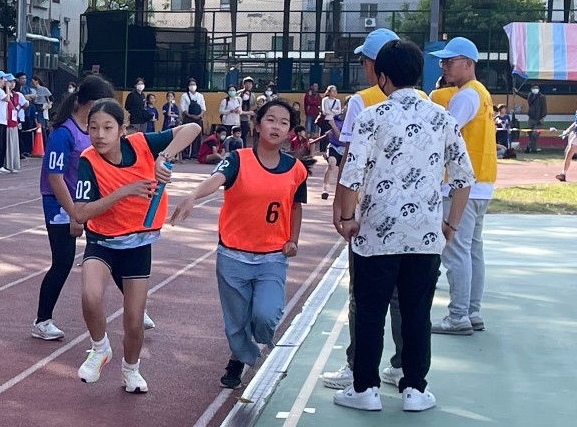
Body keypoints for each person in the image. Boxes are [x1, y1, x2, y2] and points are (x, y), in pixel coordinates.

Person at [332, 40, 474, 413]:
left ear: (382, 77)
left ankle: (365, 388)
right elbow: (463, 178)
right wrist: (451, 224)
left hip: (376, 233)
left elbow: (351, 175)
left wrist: (346, 218)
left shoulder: (371, 117)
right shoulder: (442, 117)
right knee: (416, 312)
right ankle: (414, 388)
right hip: (424, 233)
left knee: (370, 311)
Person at [170, 98, 307, 389]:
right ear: (257, 125)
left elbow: (295, 206)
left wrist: (293, 240)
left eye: (284, 122)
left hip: (272, 256)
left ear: (289, 131)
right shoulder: (238, 159)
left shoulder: (296, 170)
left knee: (266, 315)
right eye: (270, 120)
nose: (276, 126)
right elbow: (216, 179)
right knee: (237, 320)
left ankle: (249, 350)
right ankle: (239, 357)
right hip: (233, 255)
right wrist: (193, 195)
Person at [69, 100, 201, 393]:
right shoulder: (88, 160)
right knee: (90, 295)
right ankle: (100, 348)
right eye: (93, 128)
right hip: (102, 241)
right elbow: (80, 213)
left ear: (122, 130)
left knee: (134, 321)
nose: (99, 135)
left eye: (107, 127)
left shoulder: (142, 144)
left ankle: (131, 370)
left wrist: (164, 156)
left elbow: (192, 128)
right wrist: (124, 191)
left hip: (138, 243)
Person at [321, 27, 410, 391]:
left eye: (363, 61)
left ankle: (356, 365)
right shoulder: (421, 101)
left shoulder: (363, 101)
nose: (362, 68)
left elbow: (350, 158)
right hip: (411, 211)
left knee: (363, 294)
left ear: (376, 64)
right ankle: (402, 365)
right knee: (403, 297)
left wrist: (341, 208)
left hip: (371, 209)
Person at [32, 74, 114, 341]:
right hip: (61, 205)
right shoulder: (63, 134)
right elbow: (54, 178)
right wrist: (74, 215)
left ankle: (138, 308)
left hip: (87, 201)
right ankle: (42, 321)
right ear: (89, 103)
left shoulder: (92, 131)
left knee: (114, 250)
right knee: (63, 262)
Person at [427, 37, 497, 336]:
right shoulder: (479, 93)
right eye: (443, 61)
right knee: (472, 251)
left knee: (455, 251)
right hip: (481, 182)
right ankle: (471, 311)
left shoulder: (466, 96)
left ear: (468, 63)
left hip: (461, 185)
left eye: (450, 61)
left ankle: (458, 316)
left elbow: (443, 135)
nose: (444, 66)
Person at [557, 114, 577, 182]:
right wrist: (568, 130)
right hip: (575, 133)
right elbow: (575, 122)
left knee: (570, 151)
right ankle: (563, 174)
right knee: (569, 152)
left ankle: (563, 174)